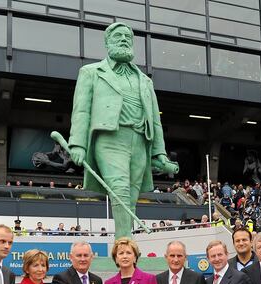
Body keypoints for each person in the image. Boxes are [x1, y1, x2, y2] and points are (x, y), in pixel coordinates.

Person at [67, 23, 178, 238]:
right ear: (107, 42)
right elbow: (81, 111)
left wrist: (160, 154)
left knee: (132, 197)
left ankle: (126, 245)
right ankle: (124, 246)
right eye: (118, 36)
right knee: (119, 190)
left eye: (128, 37)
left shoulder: (145, 81)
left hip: (139, 140)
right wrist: (77, 144)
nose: (124, 39)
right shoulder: (91, 72)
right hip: (109, 138)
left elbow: (155, 120)